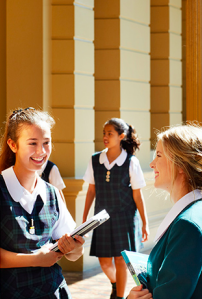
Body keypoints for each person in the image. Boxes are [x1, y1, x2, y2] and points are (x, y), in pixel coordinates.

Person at [128, 124, 202, 299]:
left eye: (159, 155)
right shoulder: (196, 212)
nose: (152, 163)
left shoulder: (189, 224)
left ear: (181, 165)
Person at [0, 107, 85, 298]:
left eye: (46, 143)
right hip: (12, 293)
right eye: (33, 143)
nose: (41, 151)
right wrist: (35, 259)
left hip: (54, 291)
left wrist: (74, 248)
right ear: (13, 145)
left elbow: (74, 253)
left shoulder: (51, 192)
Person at [83, 118, 149, 299]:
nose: (105, 137)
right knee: (104, 262)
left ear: (121, 136)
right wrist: (84, 219)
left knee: (121, 259)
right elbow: (90, 191)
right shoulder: (95, 160)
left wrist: (145, 223)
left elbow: (138, 195)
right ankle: (115, 284)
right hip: (101, 218)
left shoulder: (131, 162)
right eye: (104, 133)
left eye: (109, 134)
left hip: (125, 217)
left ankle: (119, 296)